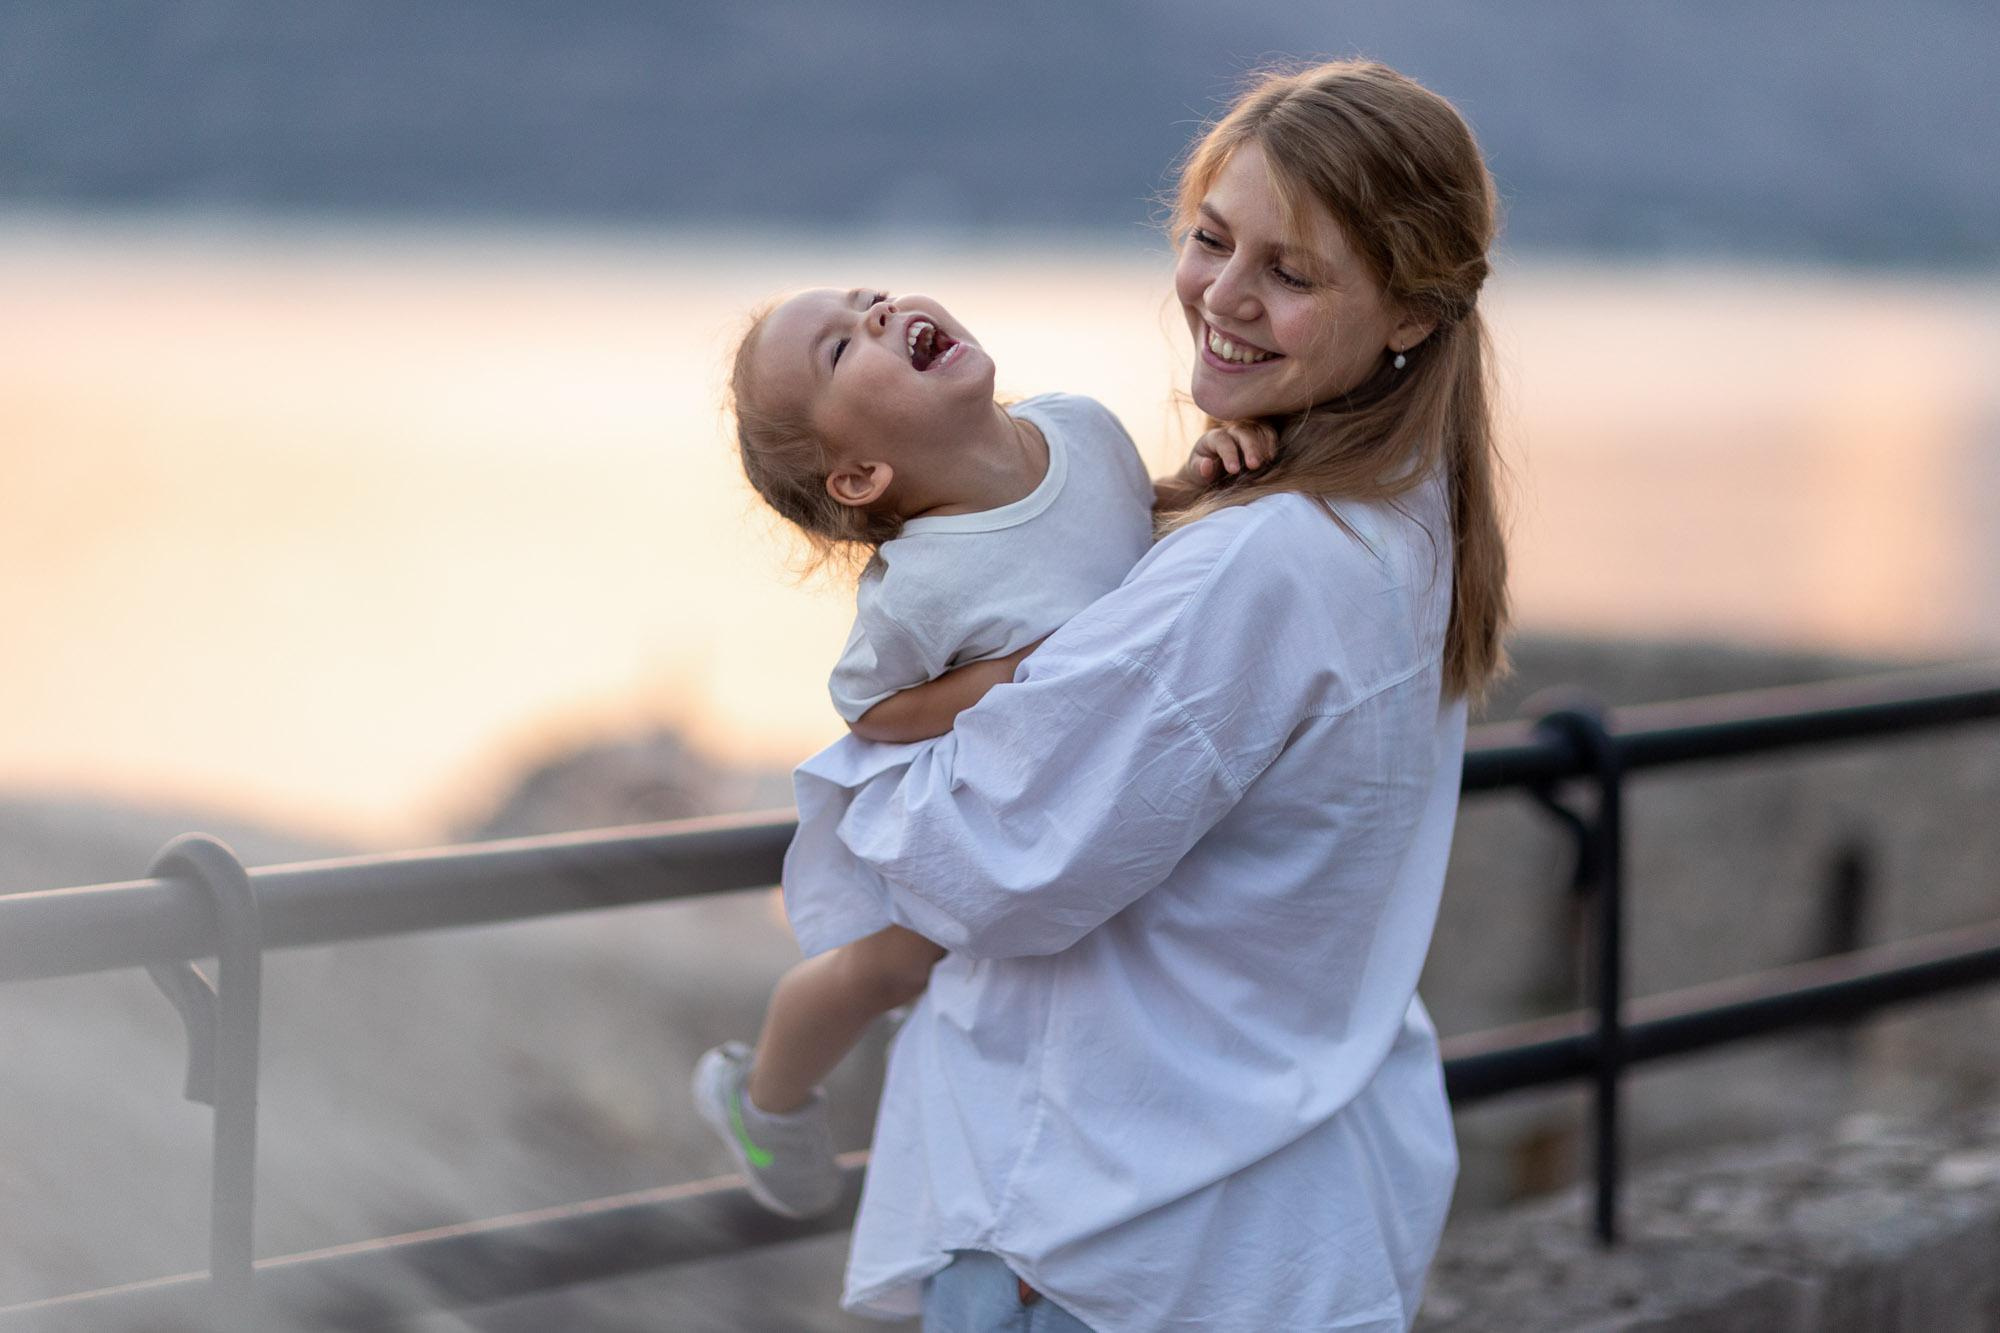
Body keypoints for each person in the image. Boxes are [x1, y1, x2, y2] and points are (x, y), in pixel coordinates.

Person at [828, 61, 1509, 1332]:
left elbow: (966, 868)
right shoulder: (1404, 519)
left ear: (1409, 312)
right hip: (1265, 1206)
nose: (1223, 297)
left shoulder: (1261, 562)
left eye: (1291, 274)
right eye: (1208, 240)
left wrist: (914, 711)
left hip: (1109, 1243)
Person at [694, 284, 1207, 1218]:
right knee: (889, 966)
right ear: (858, 477)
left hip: (1094, 773)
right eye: (842, 350)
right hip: (988, 797)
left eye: (871, 299)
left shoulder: (1083, 427)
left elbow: (1138, 523)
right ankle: (762, 1096)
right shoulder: (922, 585)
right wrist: (1011, 672)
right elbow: (871, 708)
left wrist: (1210, 479)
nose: (882, 317)